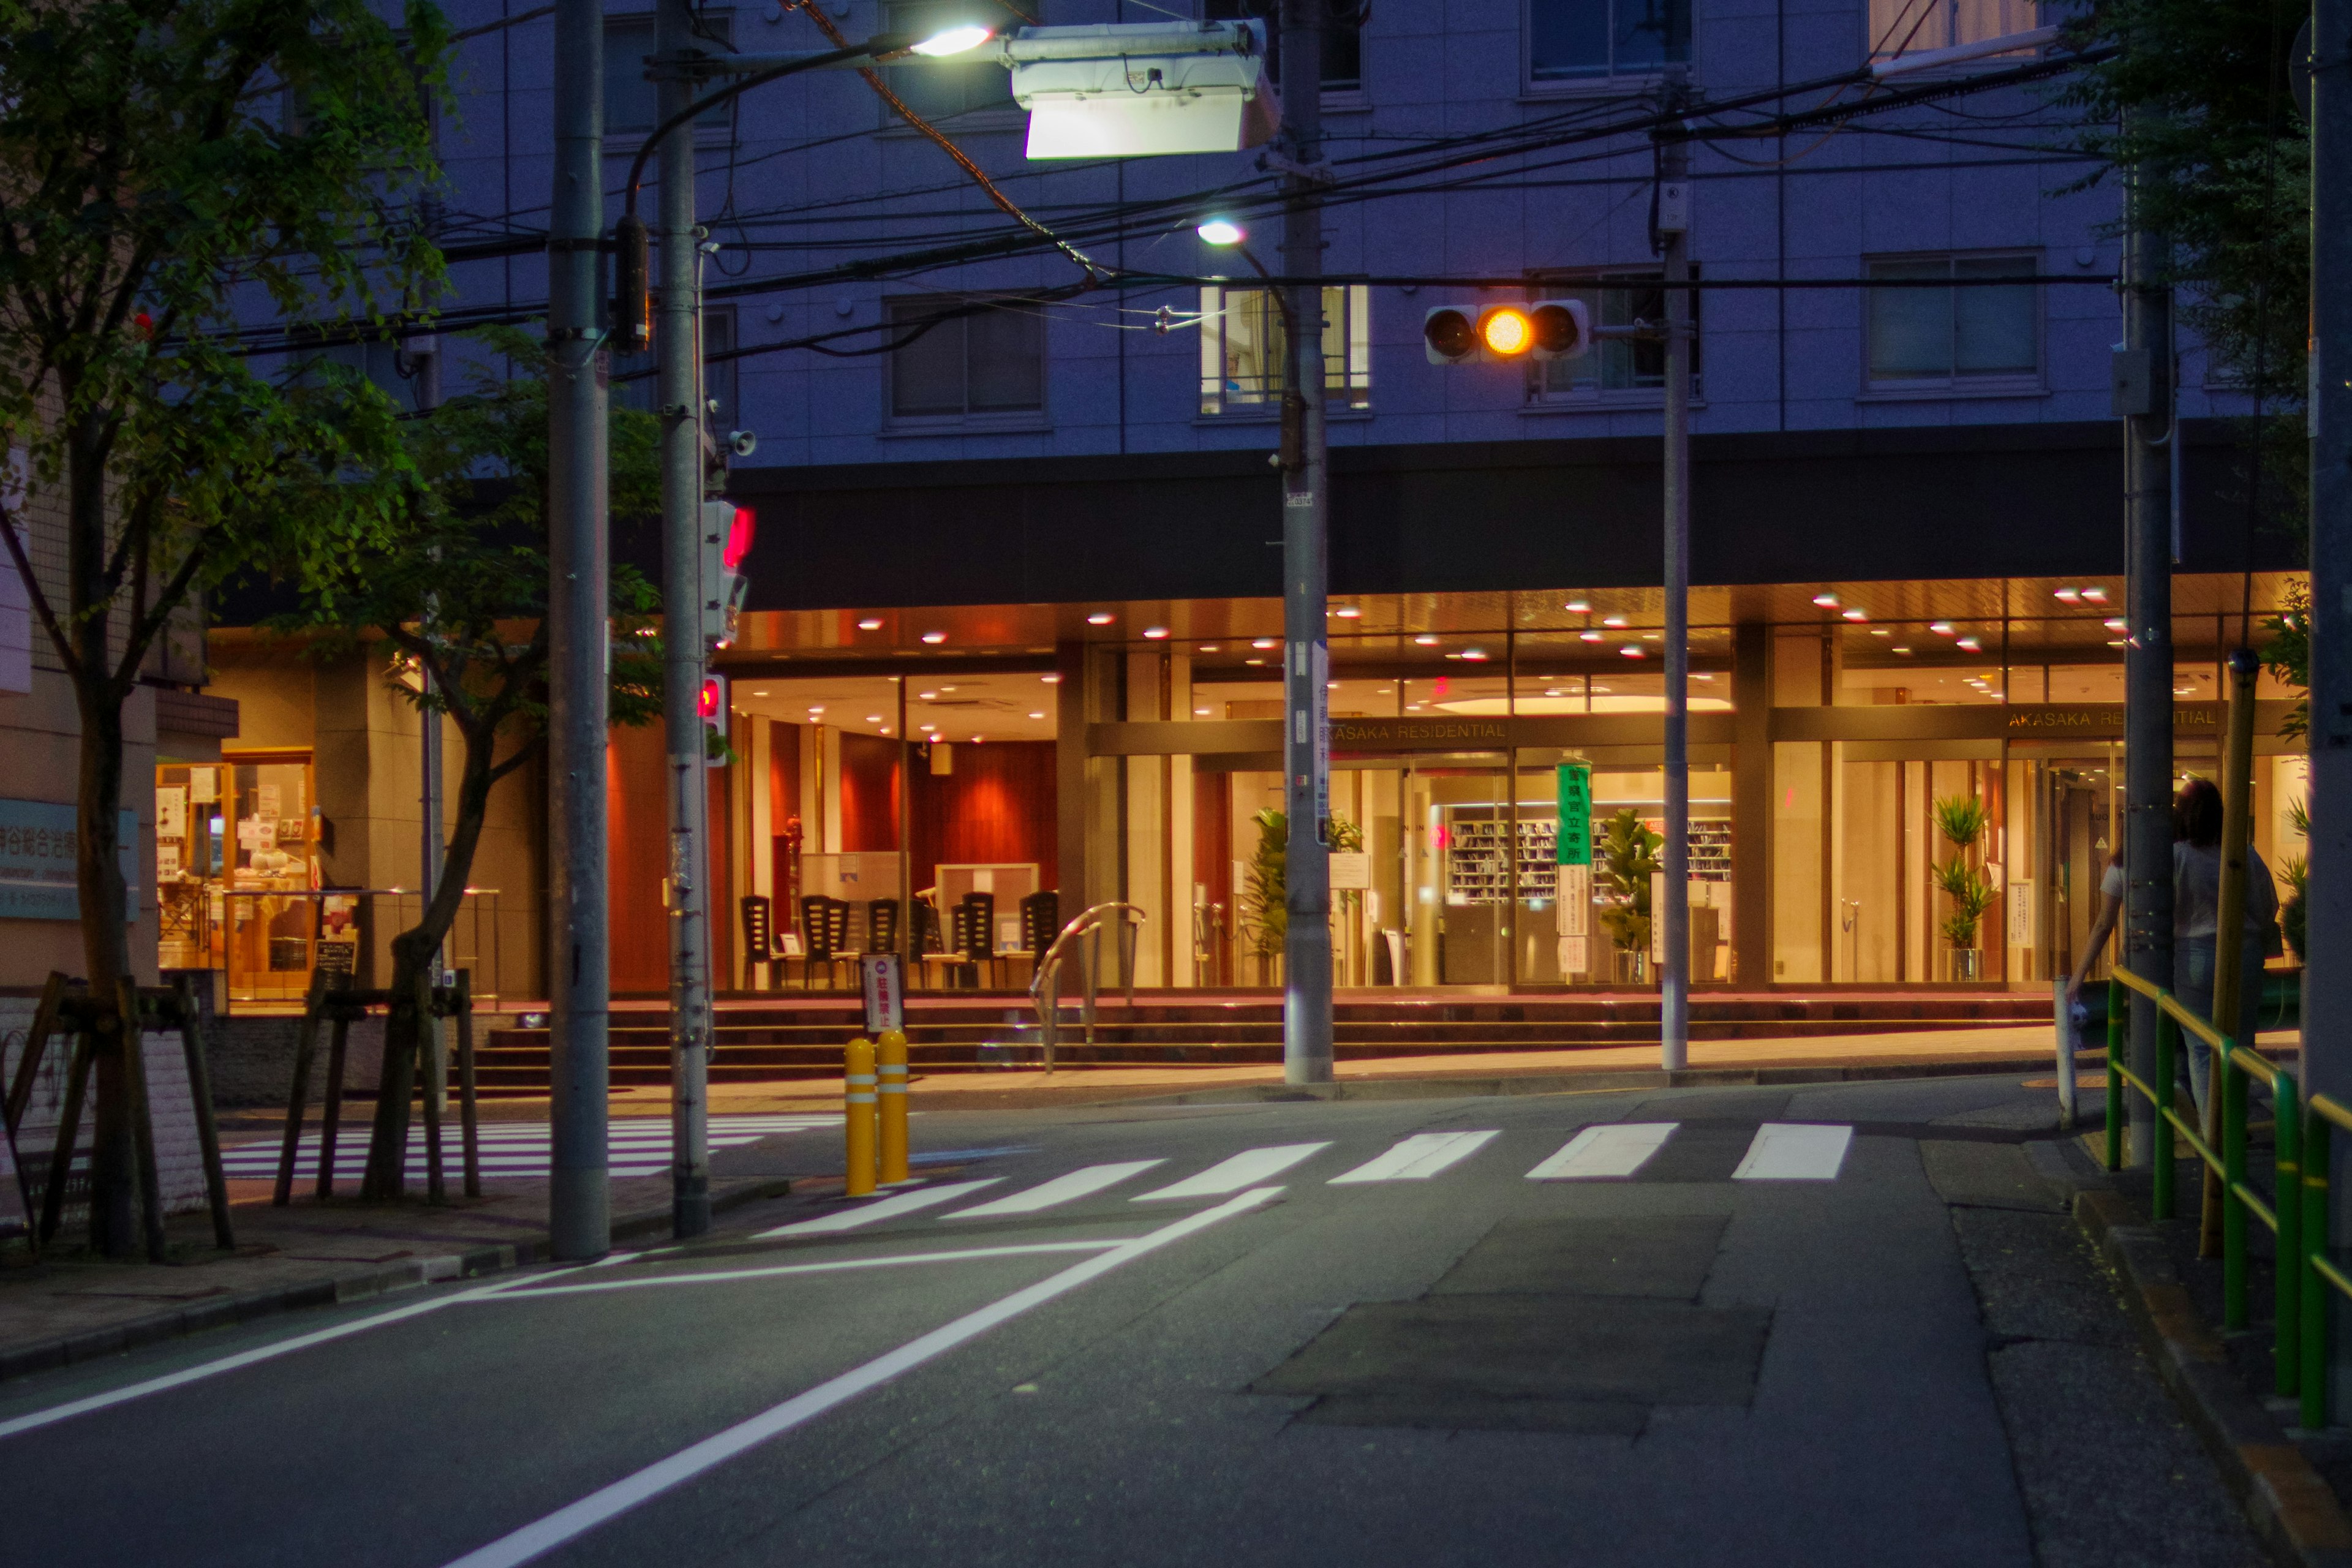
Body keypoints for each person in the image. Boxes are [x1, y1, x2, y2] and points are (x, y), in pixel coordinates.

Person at [2171, 777, 2280, 1116]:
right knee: (2241, 1045)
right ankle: (2234, 1128)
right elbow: (2268, 906)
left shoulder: (2178, 856)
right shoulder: (2243, 853)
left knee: (2201, 1051)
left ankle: (2213, 1139)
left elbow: (2165, 910)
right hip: (2243, 954)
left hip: (2192, 957)